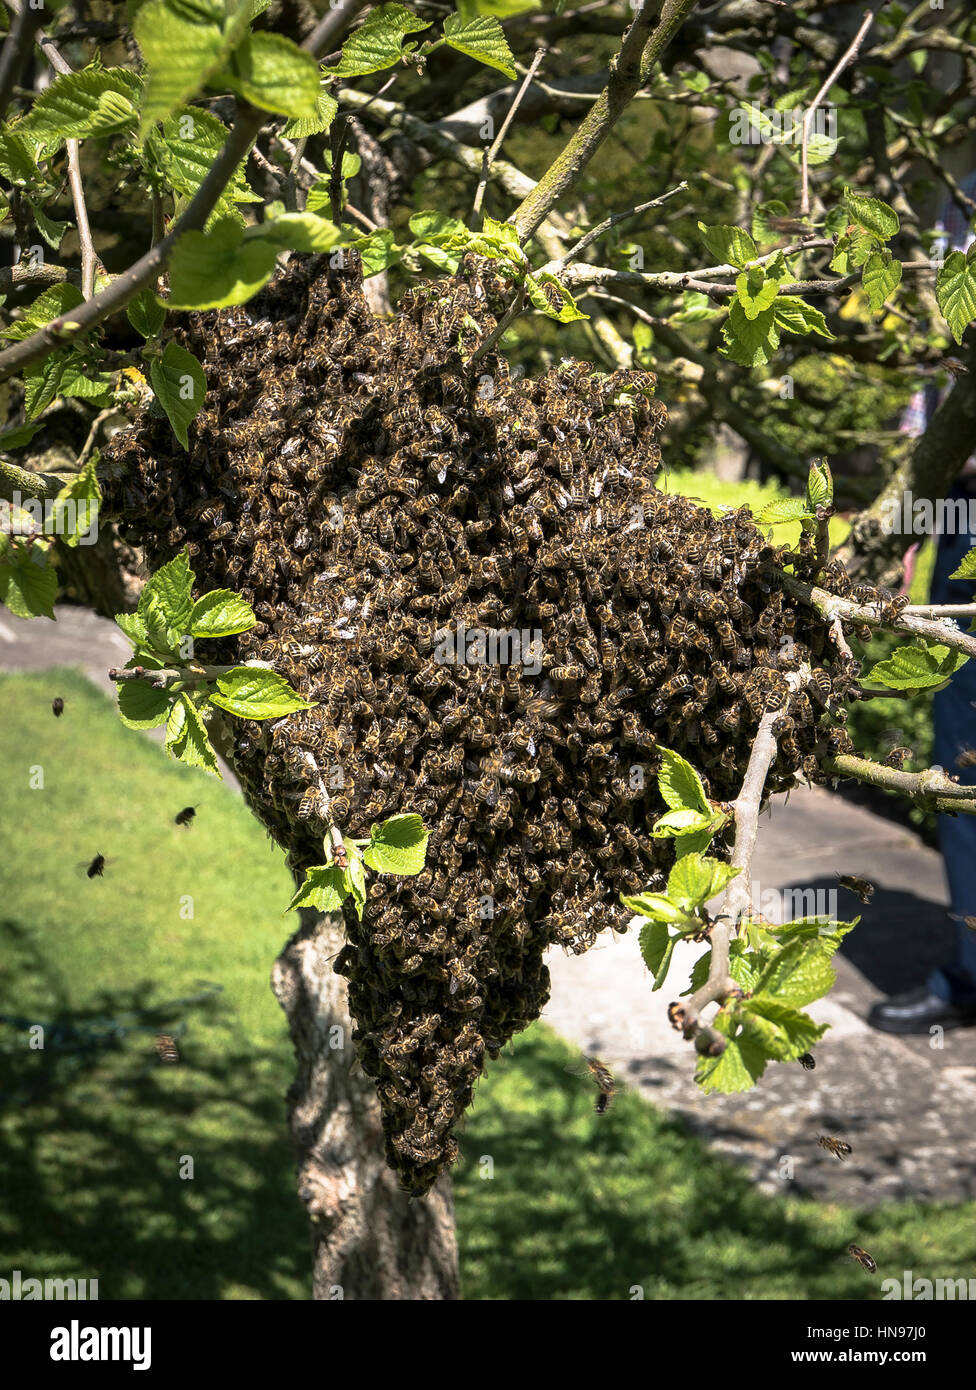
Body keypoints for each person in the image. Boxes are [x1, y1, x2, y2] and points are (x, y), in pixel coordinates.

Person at [868, 171, 976, 1034]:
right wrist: (912, 511)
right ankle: (972, 969)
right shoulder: (959, 194)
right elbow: (933, 367)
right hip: (966, 506)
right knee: (964, 753)